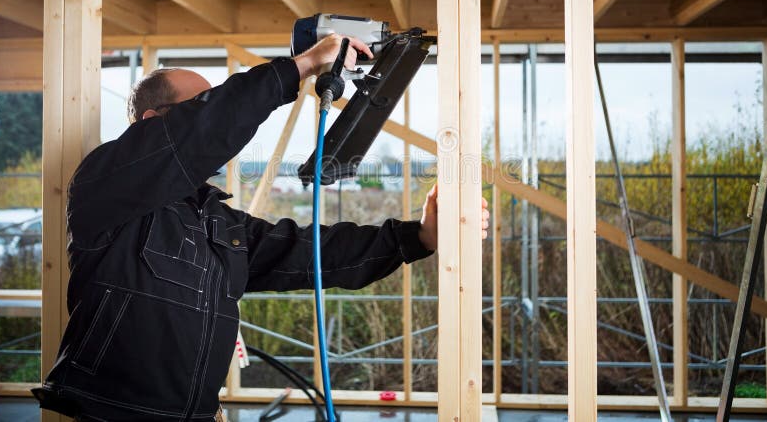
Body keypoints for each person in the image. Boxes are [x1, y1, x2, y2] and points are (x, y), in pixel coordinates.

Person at [32, 34, 490, 421]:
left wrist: (417, 237)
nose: (212, 115)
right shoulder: (106, 184)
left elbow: (309, 251)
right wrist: (302, 66)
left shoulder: (215, 221)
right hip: (111, 412)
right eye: (198, 106)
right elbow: (207, 127)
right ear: (154, 123)